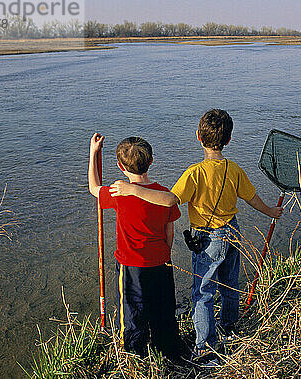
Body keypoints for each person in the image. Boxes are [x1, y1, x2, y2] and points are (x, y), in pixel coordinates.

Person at [108, 109, 283, 360]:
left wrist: (132, 190)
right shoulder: (234, 169)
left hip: (208, 238)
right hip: (233, 231)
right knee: (230, 284)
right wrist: (270, 211)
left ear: (198, 137)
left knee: (203, 292)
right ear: (229, 140)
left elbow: (169, 200)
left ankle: (205, 344)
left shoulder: (195, 173)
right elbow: (252, 198)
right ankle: (229, 327)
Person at [88, 133, 182, 359]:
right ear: (151, 161)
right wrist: (165, 252)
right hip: (161, 261)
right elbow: (170, 230)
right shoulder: (162, 193)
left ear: (120, 166)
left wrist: (93, 153)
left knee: (132, 310)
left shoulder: (119, 193)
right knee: (164, 308)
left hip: (132, 266)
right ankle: (168, 349)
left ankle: (134, 354)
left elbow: (94, 187)